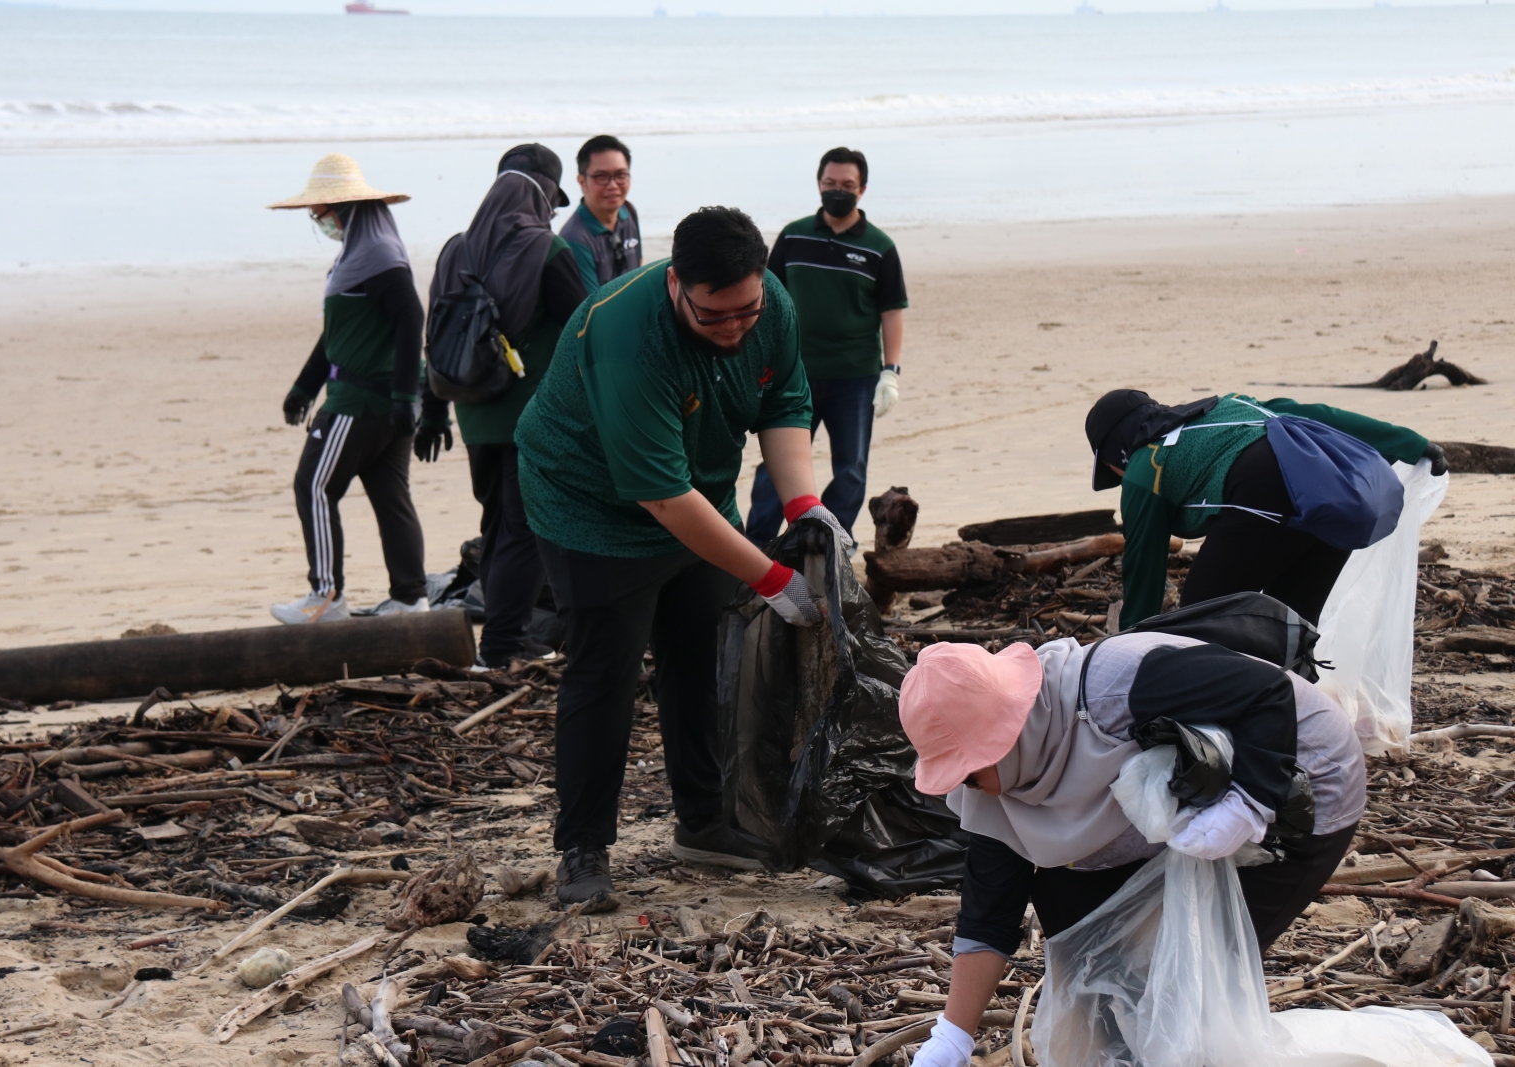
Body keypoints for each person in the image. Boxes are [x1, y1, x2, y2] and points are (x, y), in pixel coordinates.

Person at [515, 205, 850, 903]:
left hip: (700, 494)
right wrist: (770, 574)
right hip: (591, 507)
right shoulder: (627, 338)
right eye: (714, 316)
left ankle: (704, 821)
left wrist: (803, 506)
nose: (734, 326)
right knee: (603, 673)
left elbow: (785, 401)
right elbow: (663, 499)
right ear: (676, 286)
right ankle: (583, 847)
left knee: (700, 658)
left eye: (746, 311)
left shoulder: (768, 303)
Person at [898, 634, 1366, 1067]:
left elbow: (1267, 693)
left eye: (968, 773)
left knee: (1193, 977)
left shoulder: (1113, 693)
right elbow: (990, 912)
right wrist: (952, 1036)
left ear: (1004, 739)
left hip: (1300, 785)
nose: (967, 791)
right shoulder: (1006, 780)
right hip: (1182, 809)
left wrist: (1249, 804)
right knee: (1068, 903)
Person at [420, 144, 588, 669]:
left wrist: (431, 411)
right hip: (530, 416)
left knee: (498, 526)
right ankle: (502, 647)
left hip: (472, 413)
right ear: (542, 194)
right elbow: (586, 328)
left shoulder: (455, 250)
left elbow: (436, 336)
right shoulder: (548, 250)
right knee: (526, 530)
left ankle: (510, 638)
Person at [1085, 389, 1446, 631]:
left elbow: (1144, 567)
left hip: (1266, 499)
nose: (1116, 478)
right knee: (1291, 624)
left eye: (1109, 469)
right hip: (1334, 503)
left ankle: (1215, 719)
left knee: (1201, 618)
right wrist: (1410, 443)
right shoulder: (1234, 404)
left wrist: (1130, 645)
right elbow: (1322, 416)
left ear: (1117, 449)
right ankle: (1300, 716)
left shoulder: (1145, 467)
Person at [269, 153, 429, 625]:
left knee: (314, 486)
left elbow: (411, 318)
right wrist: (304, 386)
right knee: (389, 496)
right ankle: (410, 599)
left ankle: (325, 597)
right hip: (376, 401)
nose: (320, 222)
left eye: (320, 214)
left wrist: (405, 395)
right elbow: (338, 337)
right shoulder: (357, 259)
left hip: (362, 402)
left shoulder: (378, 258)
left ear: (345, 211)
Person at [746, 146, 908, 550]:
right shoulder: (794, 235)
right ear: (819, 184)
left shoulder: (879, 246)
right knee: (774, 466)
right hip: (792, 372)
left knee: (851, 469)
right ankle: (759, 544)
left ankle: (828, 544)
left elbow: (891, 312)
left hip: (855, 375)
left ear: (863, 189)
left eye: (847, 185)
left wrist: (891, 371)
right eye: (831, 184)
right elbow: (763, 294)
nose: (838, 191)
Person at [559, 135, 642, 293]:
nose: (613, 185)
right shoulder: (574, 239)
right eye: (601, 177)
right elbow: (592, 308)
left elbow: (639, 267)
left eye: (620, 175)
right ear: (582, 182)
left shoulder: (629, 212)